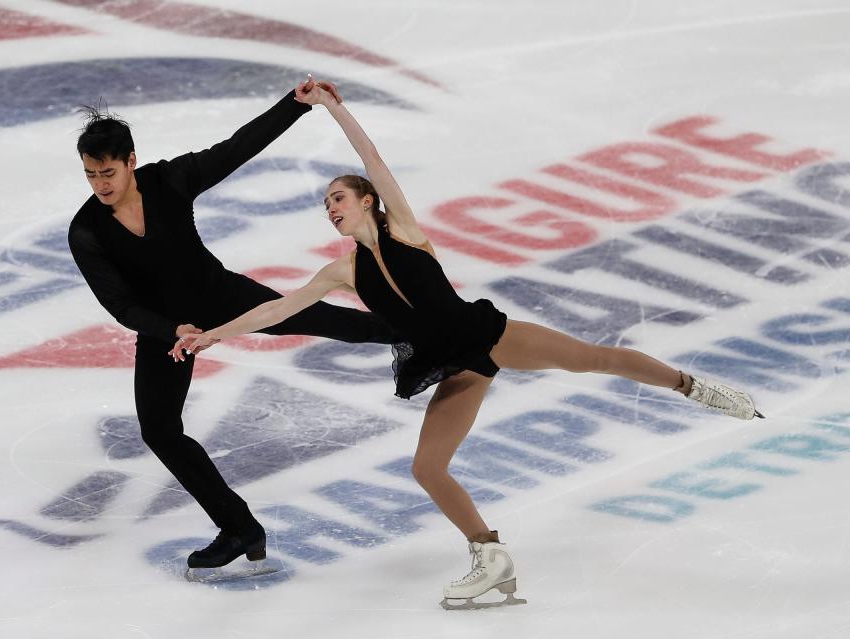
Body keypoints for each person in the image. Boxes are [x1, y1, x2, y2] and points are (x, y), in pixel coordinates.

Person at [172, 83, 764, 608]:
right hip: (451, 367)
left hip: (490, 337)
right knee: (428, 468)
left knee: (596, 358)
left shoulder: (402, 226)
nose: (331, 209)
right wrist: (211, 335)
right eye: (326, 203)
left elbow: (372, 158)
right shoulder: (342, 273)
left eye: (339, 198)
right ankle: (491, 556)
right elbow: (278, 309)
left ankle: (695, 387)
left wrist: (330, 108)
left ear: (366, 201)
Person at [67, 77, 394, 577]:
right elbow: (119, 305)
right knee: (159, 430)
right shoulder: (86, 230)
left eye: (108, 171)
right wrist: (172, 330)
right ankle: (240, 527)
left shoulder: (170, 180)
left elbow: (237, 148)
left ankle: (417, 332)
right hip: (164, 329)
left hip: (220, 295)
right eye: (91, 175)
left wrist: (295, 106)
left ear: (131, 162)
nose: (100, 184)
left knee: (315, 316)